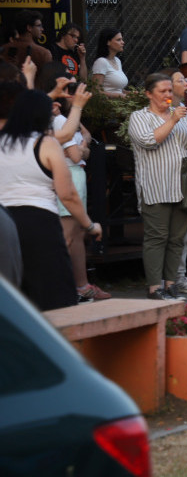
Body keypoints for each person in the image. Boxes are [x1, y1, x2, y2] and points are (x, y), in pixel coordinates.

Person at [0, 89, 101, 309]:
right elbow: (67, 194)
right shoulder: (46, 144)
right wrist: (89, 225)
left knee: (12, 297)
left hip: (4, 221)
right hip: (39, 222)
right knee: (54, 296)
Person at [128, 73, 187, 301]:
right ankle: (155, 288)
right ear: (149, 94)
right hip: (156, 187)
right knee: (157, 238)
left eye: (169, 91)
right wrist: (174, 120)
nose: (168, 95)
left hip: (182, 186)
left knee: (177, 238)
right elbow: (148, 140)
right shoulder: (139, 117)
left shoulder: (181, 116)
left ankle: (170, 285)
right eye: (163, 91)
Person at [52, 81, 107, 303]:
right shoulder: (59, 120)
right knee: (67, 236)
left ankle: (80, 287)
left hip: (77, 176)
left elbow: (85, 135)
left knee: (77, 236)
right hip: (71, 175)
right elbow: (77, 155)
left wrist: (83, 144)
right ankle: (58, 290)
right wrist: (84, 149)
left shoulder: (69, 120)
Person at [158, 67, 187, 294]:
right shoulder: (159, 112)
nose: (186, 82)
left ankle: (180, 277)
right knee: (169, 232)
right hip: (167, 178)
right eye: (180, 79)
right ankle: (165, 280)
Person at [91, 28, 128, 97]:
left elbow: (117, 89)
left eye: (122, 39)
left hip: (119, 105)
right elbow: (95, 92)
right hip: (107, 106)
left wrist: (131, 94)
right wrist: (119, 96)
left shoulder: (117, 60)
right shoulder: (101, 62)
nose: (123, 42)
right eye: (118, 40)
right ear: (108, 42)